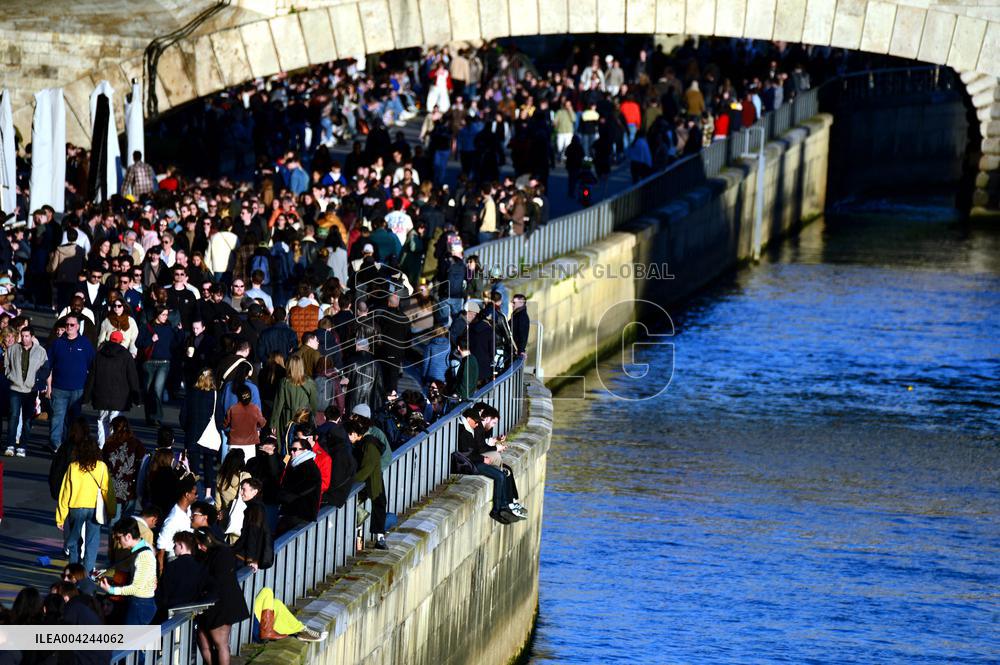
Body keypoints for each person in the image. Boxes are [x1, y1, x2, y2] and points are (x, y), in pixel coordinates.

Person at [56, 433, 116, 575]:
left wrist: (60, 516)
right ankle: (87, 574)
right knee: (92, 542)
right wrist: (111, 510)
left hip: (76, 507)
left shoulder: (73, 467)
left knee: (74, 541)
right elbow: (108, 490)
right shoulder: (101, 467)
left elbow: (65, 492)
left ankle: (74, 572)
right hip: (95, 508)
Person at [194, 528, 250, 665]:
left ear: (208, 540)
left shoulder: (220, 554)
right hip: (220, 603)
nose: (199, 547)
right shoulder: (223, 552)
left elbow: (218, 580)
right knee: (214, 643)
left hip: (221, 604)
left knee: (220, 644)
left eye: (200, 544)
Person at [84, 330, 142, 448]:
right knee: (115, 422)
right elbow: (132, 377)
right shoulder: (126, 355)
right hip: (119, 397)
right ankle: (112, 446)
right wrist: (137, 398)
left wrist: (86, 397)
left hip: (101, 395)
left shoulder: (99, 355)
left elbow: (91, 377)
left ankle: (101, 446)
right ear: (121, 341)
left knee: (102, 421)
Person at [47, 313, 95, 451]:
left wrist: (89, 387)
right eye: (67, 325)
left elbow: (92, 364)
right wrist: (48, 387)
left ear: (78, 327)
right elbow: (48, 365)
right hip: (59, 388)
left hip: (78, 389)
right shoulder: (57, 343)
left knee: (74, 420)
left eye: (72, 325)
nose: (69, 327)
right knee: (57, 418)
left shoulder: (85, 343)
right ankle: (56, 445)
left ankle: (71, 445)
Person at [99, 518, 157, 625]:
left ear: (128, 536)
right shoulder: (142, 549)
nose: (117, 541)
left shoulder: (143, 556)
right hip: (140, 604)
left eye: (118, 537)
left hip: (140, 605)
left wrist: (111, 590)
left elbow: (135, 588)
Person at [4, 325, 47, 458]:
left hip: (30, 389)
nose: (24, 338)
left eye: (27, 336)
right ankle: (10, 445)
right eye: (22, 336)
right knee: (13, 416)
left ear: (32, 337)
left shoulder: (40, 351)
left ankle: (22, 446)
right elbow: (6, 365)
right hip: (15, 388)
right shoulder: (13, 349)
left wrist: (37, 381)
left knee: (27, 419)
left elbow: (45, 368)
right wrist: (10, 376)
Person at [345, 420, 387, 550]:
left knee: (377, 505)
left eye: (348, 435)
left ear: (354, 433)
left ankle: (379, 538)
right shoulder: (366, 443)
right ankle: (378, 537)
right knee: (377, 505)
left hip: (371, 482)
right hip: (371, 481)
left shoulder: (369, 445)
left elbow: (367, 468)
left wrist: (351, 481)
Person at [137, 305, 179, 426]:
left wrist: (180, 332)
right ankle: (149, 417)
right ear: (157, 315)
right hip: (149, 362)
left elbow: (176, 344)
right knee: (148, 391)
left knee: (157, 390)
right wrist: (151, 339)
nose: (166, 317)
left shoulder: (169, 328)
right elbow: (138, 343)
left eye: (167, 315)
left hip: (164, 363)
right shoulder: (146, 327)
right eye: (163, 315)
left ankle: (157, 417)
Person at [183, 368, 222, 497]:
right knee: (208, 465)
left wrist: (187, 428)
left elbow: (183, 415)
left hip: (193, 433)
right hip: (209, 435)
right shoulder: (215, 395)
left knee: (194, 467)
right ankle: (208, 493)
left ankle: (194, 492)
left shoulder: (191, 393)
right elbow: (219, 417)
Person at [154, 530, 206, 624]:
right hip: (191, 612)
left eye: (175, 545)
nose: (173, 548)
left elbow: (163, 593)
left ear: (181, 546)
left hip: (170, 612)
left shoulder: (172, 566)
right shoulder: (200, 567)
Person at [102, 416, 146, 522]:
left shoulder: (109, 444)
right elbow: (143, 461)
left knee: (113, 520)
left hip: (113, 489)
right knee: (127, 522)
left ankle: (114, 534)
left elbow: (103, 464)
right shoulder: (136, 443)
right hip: (130, 487)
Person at [271, 355, 318, 453]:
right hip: (304, 418)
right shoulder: (310, 382)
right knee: (303, 445)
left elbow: (278, 405)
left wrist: (273, 424)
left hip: (287, 418)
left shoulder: (284, 382)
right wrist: (312, 419)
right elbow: (314, 404)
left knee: (287, 445)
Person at [276, 434, 321, 535]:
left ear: (305, 451)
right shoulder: (296, 465)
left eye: (295, 449)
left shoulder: (309, 468)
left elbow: (300, 490)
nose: (291, 452)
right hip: (293, 514)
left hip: (300, 516)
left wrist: (282, 497)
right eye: (290, 449)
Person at [156, 474, 197, 571]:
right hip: (175, 558)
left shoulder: (188, 509)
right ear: (187, 495)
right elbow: (161, 547)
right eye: (195, 493)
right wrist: (161, 571)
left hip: (187, 555)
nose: (197, 496)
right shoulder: (173, 519)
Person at [223, 384, 266, 462]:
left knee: (233, 466)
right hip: (250, 443)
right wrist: (256, 426)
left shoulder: (232, 409)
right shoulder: (255, 409)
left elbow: (225, 424)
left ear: (238, 396)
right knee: (249, 466)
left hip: (234, 442)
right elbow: (262, 423)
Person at [215, 449, 250, 518]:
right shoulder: (245, 476)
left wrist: (218, 511)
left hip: (227, 513)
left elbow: (218, 502)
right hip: (244, 513)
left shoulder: (220, 477)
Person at [510, 293, 529, 357]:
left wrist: (521, 351)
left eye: (514, 302)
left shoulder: (522, 317)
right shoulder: (516, 314)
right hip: (512, 348)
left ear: (521, 303)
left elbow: (523, 335)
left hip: (516, 351)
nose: (512, 304)